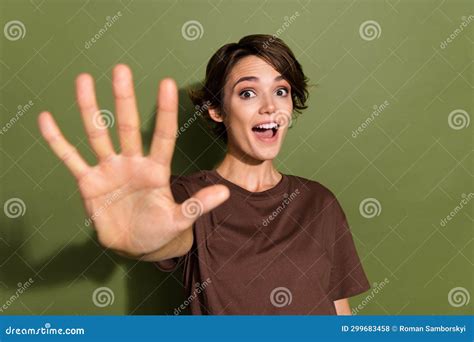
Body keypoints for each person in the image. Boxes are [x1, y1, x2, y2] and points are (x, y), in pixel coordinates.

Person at [37, 34, 370, 315]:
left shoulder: (318, 201)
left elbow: (340, 312)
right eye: (248, 93)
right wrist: (142, 240)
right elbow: (170, 236)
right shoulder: (188, 195)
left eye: (281, 91)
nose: (270, 106)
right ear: (216, 110)